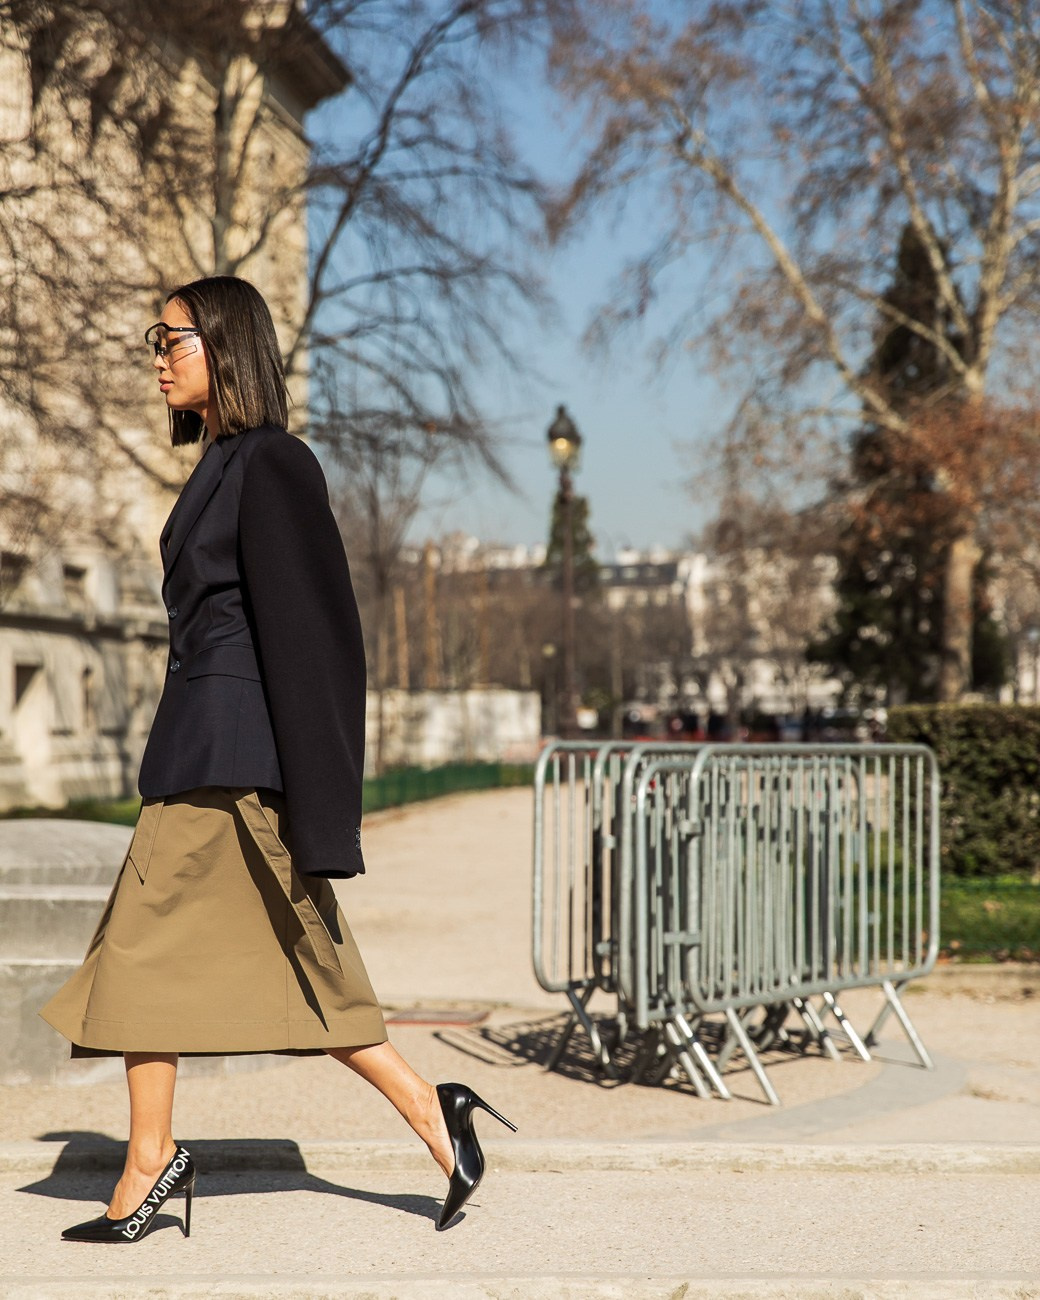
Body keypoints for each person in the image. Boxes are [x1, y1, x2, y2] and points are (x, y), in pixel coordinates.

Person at [40, 275, 514, 1243]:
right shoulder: (223, 462)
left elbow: (314, 638)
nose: (158, 355)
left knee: (163, 953)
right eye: (157, 339)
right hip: (201, 750)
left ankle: (155, 1162)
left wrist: (322, 801)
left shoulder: (273, 463)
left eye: (172, 338)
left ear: (225, 345)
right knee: (270, 955)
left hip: (237, 757)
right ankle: (430, 1112)